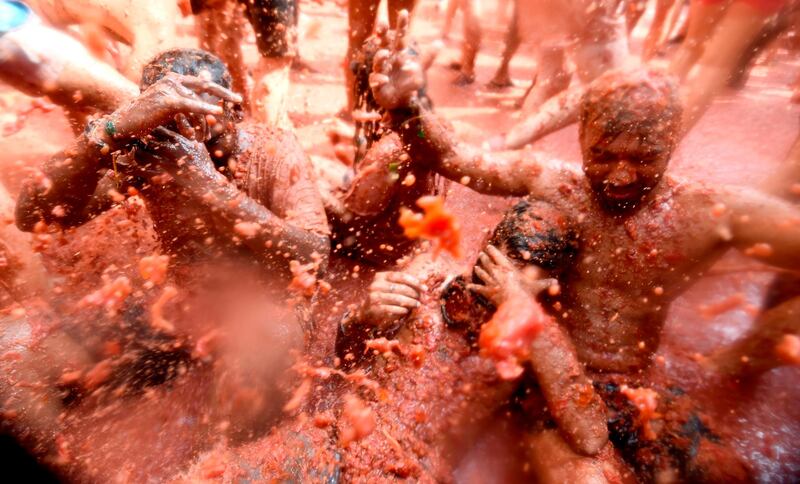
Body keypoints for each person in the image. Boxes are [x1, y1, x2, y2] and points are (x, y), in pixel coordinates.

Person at [369, 32, 800, 478]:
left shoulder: (709, 212)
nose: (619, 176)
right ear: (581, 135)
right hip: (545, 383)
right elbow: (454, 157)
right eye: (603, 155)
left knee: (729, 475)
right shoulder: (555, 184)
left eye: (644, 158)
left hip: (632, 385)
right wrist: (408, 109)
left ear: (673, 142)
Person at [12, 48, 330, 448]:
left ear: (233, 112)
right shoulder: (151, 150)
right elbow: (35, 215)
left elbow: (314, 256)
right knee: (24, 374)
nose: (178, 131)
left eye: (196, 118)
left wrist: (203, 182)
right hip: (180, 303)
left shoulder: (272, 151)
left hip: (266, 305)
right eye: (166, 117)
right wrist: (107, 133)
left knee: (250, 392)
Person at [177, 199, 624, 482]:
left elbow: (589, 436)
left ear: (550, 287)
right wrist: (363, 317)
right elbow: (345, 358)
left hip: (409, 472)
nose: (499, 286)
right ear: (485, 244)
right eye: (498, 267)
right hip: (333, 440)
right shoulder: (426, 281)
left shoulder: (537, 344)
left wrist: (522, 311)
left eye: (523, 279)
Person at [0, 0, 138, 132]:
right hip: (14, 33)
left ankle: (96, 147)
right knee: (130, 101)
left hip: (16, 29)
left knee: (82, 108)